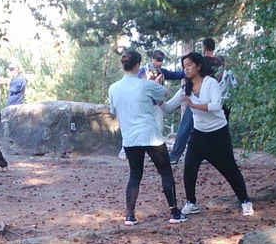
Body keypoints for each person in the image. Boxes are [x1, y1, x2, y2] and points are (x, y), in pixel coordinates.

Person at [161, 52, 254, 217]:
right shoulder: (185, 88)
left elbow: (216, 106)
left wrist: (193, 105)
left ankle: (245, 201)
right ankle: (191, 203)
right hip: (199, 134)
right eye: (184, 67)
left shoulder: (210, 82)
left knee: (230, 169)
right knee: (189, 168)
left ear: (198, 66)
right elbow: (168, 108)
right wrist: (158, 98)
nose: (186, 69)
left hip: (218, 133)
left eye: (189, 65)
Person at [108, 50, 186, 226]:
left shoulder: (113, 88)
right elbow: (165, 94)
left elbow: (113, 111)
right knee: (165, 172)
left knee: (135, 175)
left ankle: (130, 215)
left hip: (130, 139)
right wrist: (154, 83)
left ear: (123, 65)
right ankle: (174, 212)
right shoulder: (145, 85)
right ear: (137, 65)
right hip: (151, 137)